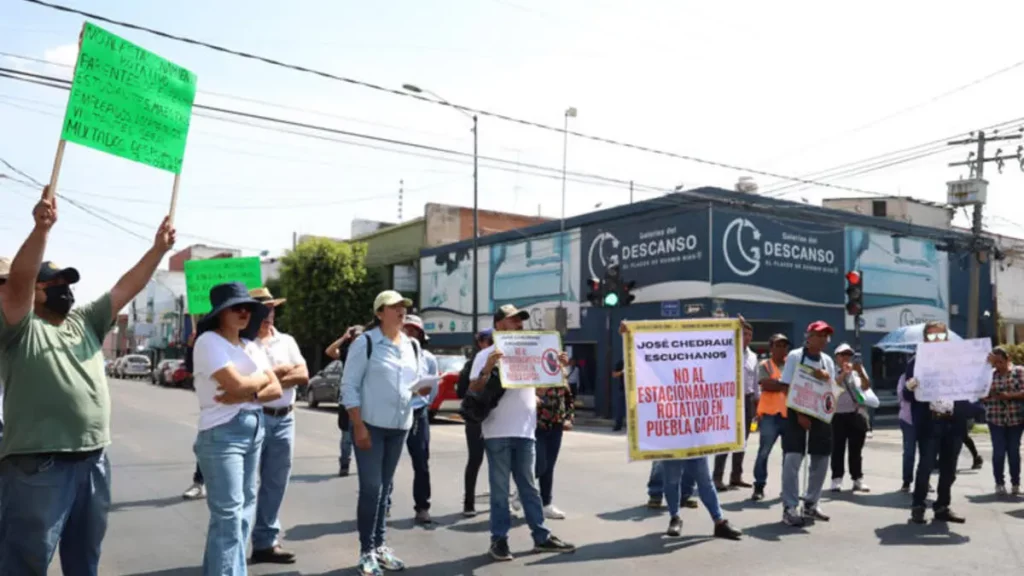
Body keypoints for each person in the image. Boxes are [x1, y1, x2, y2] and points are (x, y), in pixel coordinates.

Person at [0, 188, 175, 575]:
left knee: (84, 562)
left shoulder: (85, 322)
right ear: (36, 291)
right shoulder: (17, 328)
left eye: (69, 281)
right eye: (56, 282)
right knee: (24, 564)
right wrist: (41, 230)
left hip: (94, 461)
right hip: (40, 466)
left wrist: (158, 251)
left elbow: (126, 287)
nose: (66, 288)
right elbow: (17, 285)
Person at [468, 304, 575, 562]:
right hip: (498, 431)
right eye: (513, 320)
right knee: (500, 489)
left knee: (529, 486)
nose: (519, 324)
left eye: (520, 320)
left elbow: (540, 388)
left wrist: (557, 366)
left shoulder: (531, 350)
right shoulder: (486, 354)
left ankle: (541, 536)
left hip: (526, 429)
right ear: (498, 324)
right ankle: (499, 539)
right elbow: (473, 387)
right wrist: (487, 369)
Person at [340, 291, 433, 576]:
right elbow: (349, 386)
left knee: (385, 488)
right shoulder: (365, 342)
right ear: (380, 313)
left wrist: (422, 388)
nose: (401, 311)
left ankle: (380, 546)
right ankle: (366, 550)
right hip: (370, 426)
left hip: (400, 426)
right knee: (371, 489)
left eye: (403, 307)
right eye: (394, 307)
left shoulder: (412, 345)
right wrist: (358, 425)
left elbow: (413, 384)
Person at [192, 282, 282, 575]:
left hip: (254, 429)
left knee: (242, 515)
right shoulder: (208, 342)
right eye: (237, 307)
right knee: (229, 517)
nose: (244, 312)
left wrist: (249, 393)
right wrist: (255, 384)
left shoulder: (252, 345)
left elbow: (276, 388)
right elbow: (236, 385)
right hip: (222, 433)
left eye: (248, 308)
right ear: (220, 313)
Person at [248, 287, 308, 564]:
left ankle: (265, 541)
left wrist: (269, 381)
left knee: (275, 482)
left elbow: (303, 374)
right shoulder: (244, 343)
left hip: (285, 417)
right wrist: (282, 373)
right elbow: (246, 383)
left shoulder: (287, 341)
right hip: (254, 417)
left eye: (271, 309)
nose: (269, 315)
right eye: (263, 309)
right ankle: (238, 541)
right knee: (247, 485)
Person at [779, 321, 846, 527]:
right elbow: (785, 387)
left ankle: (811, 502)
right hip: (796, 414)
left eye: (827, 336)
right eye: (819, 335)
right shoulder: (795, 356)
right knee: (792, 460)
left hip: (820, 416)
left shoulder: (826, 360)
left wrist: (828, 378)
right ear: (809, 336)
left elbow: (831, 389)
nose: (824, 340)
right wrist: (800, 414)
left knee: (821, 460)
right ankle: (790, 506)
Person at [904, 320, 969, 524]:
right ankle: (918, 505)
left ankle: (942, 506)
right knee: (925, 465)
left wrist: (983, 367)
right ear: (925, 339)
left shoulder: (959, 361)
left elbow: (972, 381)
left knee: (949, 468)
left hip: (953, 422)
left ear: (946, 338)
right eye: (931, 336)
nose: (936, 340)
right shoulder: (916, 362)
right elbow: (906, 394)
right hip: (930, 422)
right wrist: (910, 386)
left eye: (940, 336)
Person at [402, 314, 439, 524]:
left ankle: (422, 506)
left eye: (413, 330)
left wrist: (423, 403)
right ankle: (383, 505)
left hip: (418, 413)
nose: (409, 334)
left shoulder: (428, 358)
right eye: (405, 329)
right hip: (395, 413)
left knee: (421, 462)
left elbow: (433, 387)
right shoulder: (392, 355)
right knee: (386, 462)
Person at [713, 318, 757, 490]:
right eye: (743, 334)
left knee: (742, 440)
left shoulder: (752, 356)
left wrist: (756, 401)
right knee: (726, 440)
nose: (746, 337)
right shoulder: (727, 352)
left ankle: (736, 476)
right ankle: (717, 477)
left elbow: (754, 381)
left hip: (747, 399)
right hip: (729, 399)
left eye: (749, 335)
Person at [751, 333, 791, 501]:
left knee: (789, 455)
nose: (781, 348)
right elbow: (766, 384)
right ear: (771, 347)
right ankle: (759, 486)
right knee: (764, 452)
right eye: (778, 345)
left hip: (789, 415)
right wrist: (785, 385)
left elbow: (797, 384)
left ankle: (788, 488)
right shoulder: (764, 365)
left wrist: (779, 385)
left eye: (784, 345)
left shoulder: (792, 363)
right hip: (769, 415)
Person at [458, 328, 493, 517]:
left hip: (496, 417)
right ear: (480, 342)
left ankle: (499, 499)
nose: (490, 343)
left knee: (498, 461)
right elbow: (462, 390)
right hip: (476, 418)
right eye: (487, 340)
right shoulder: (472, 364)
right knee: (475, 459)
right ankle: (469, 502)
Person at [535, 363, 575, 519]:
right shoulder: (534, 372)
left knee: (549, 466)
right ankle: (521, 490)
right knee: (540, 463)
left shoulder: (562, 373)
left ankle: (546, 503)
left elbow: (568, 398)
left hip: (556, 425)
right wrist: (538, 391)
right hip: (537, 424)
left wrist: (568, 418)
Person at [830, 343, 872, 493]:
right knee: (837, 448)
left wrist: (860, 372)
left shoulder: (856, 371)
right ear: (837, 357)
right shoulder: (832, 369)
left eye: (848, 355)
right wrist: (843, 373)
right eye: (843, 355)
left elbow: (866, 386)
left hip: (855, 413)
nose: (846, 358)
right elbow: (833, 388)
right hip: (837, 415)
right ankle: (836, 479)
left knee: (856, 449)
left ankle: (857, 479)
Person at [983, 346, 1024, 496]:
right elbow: (981, 391)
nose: (998, 365)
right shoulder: (990, 375)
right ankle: (999, 482)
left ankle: (1015, 483)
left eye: (1001, 362)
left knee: (1013, 451)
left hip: (1015, 418)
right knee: (999, 452)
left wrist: (1010, 395)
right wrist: (986, 396)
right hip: (995, 418)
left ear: (1008, 360)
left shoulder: (1019, 372)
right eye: (995, 363)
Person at [328, 324, 364, 477]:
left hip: (365, 400)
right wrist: (344, 337)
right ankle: (344, 464)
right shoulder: (347, 352)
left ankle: (365, 465)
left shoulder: (369, 351)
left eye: (360, 336)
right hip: (347, 400)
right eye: (354, 336)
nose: (357, 339)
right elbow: (329, 351)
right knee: (347, 436)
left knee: (365, 434)